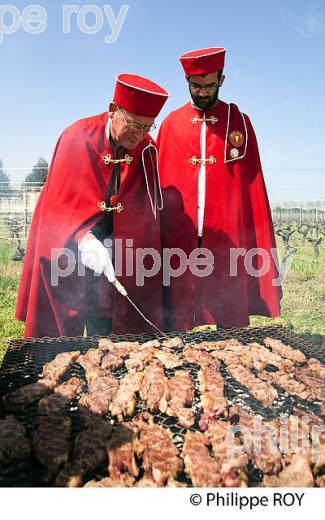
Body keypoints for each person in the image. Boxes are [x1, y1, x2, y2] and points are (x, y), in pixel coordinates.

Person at [16, 74, 169, 337]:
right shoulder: (77, 137)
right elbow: (59, 206)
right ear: (113, 110)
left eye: (147, 127)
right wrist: (84, 239)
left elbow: (146, 214)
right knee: (65, 334)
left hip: (116, 255)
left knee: (108, 326)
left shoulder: (146, 149)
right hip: (70, 252)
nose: (139, 135)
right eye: (133, 125)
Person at [157, 47, 282, 331]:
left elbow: (252, 184)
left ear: (222, 81)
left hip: (227, 234)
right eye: (196, 86)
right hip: (180, 232)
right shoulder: (171, 124)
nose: (202, 93)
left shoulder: (239, 122)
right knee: (179, 307)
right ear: (187, 83)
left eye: (210, 85)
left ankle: (229, 347)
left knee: (228, 306)